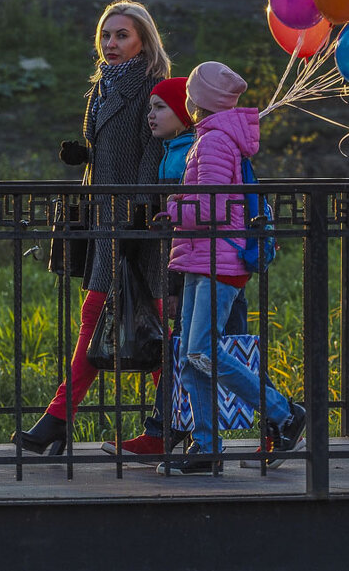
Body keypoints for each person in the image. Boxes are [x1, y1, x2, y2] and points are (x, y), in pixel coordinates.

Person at [12, 0, 171, 456]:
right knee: (140, 323)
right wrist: (86, 158)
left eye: (122, 35)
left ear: (144, 40)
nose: (111, 44)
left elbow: (152, 152)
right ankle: (165, 425)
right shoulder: (102, 85)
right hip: (105, 216)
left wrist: (140, 212)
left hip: (134, 224)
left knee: (126, 320)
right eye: (106, 35)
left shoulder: (151, 86)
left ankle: (59, 421)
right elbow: (114, 147)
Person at [154, 61, 306, 476]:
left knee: (201, 349)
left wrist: (171, 209)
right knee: (190, 356)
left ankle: (284, 412)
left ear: (198, 100)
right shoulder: (211, 139)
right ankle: (206, 444)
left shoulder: (215, 142)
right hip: (202, 256)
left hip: (219, 258)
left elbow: (214, 206)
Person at [99, 76, 252, 462]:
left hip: (212, 262)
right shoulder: (180, 150)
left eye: (161, 106)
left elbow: (208, 211)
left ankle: (278, 422)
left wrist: (170, 215)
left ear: (189, 108)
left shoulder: (199, 149)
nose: (151, 115)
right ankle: (181, 435)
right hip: (196, 262)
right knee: (195, 351)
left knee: (211, 350)